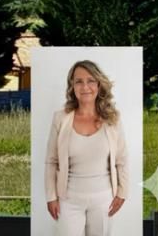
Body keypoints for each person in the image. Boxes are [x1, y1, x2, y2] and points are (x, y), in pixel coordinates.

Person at [45, 60, 128, 236]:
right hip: (69, 200)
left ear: (99, 84)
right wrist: (51, 197)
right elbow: (51, 161)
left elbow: (122, 159)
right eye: (79, 81)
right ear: (72, 86)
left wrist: (122, 193)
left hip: (103, 199)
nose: (85, 87)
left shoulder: (112, 119)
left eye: (90, 80)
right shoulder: (60, 118)